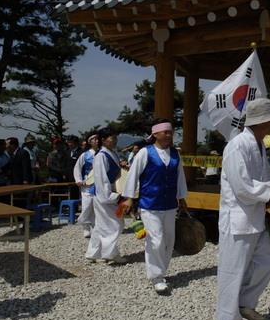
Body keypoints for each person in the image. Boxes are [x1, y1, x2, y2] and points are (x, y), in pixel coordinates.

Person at [216, 98, 270, 320]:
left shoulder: (259, 145)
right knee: (233, 270)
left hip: (255, 217)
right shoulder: (237, 146)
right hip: (238, 218)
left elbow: (256, 183)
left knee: (266, 262)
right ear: (263, 121)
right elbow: (242, 187)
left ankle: (245, 303)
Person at [122, 119, 188, 294]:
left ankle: (162, 271)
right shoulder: (145, 153)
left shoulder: (175, 154)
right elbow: (133, 175)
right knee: (156, 240)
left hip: (169, 204)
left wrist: (182, 198)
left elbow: (180, 176)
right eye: (165, 132)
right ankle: (156, 276)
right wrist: (129, 198)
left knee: (168, 240)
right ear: (155, 134)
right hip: (150, 203)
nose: (168, 135)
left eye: (170, 132)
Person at [85, 128, 126, 264]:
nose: (114, 140)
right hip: (104, 195)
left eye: (115, 138)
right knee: (115, 224)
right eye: (111, 138)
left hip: (107, 194)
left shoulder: (111, 154)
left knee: (102, 225)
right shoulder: (101, 156)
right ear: (103, 140)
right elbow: (102, 179)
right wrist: (111, 196)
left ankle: (93, 253)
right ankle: (109, 253)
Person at [74, 134, 100, 238]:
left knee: (97, 206)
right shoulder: (85, 155)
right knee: (87, 205)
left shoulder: (103, 153)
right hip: (87, 184)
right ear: (89, 142)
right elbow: (77, 168)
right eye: (94, 139)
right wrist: (79, 180)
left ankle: (95, 226)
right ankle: (85, 226)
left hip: (100, 184)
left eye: (98, 139)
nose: (96, 141)